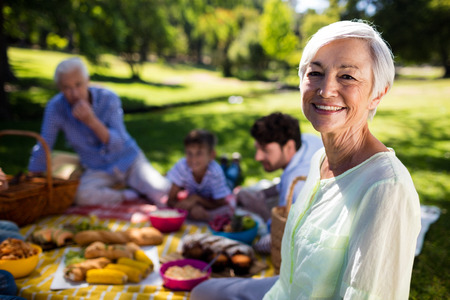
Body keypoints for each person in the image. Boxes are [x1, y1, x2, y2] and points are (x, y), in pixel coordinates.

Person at [191, 20, 421, 300]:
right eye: (316, 73)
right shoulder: (319, 159)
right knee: (202, 291)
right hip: (285, 290)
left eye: (347, 76)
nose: (326, 90)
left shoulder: (386, 188)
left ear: (378, 94)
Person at [28, 57, 170, 206]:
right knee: (80, 196)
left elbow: (118, 143)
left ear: (87, 80)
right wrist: (33, 174)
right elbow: (45, 142)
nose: (74, 93)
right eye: (67, 88)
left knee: (162, 191)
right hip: (96, 168)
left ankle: (144, 187)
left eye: (78, 85)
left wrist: (91, 121)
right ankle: (126, 196)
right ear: (59, 88)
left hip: (128, 160)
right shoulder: (55, 108)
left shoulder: (108, 98)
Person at [237, 112, 323, 222]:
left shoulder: (296, 184)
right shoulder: (307, 139)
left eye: (265, 150)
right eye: (257, 148)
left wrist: (260, 210)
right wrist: (263, 193)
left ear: (289, 147)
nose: (257, 157)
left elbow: (285, 231)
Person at [166, 129, 233, 221]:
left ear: (211, 155)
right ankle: (224, 162)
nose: (193, 159)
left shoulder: (215, 172)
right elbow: (170, 200)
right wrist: (193, 206)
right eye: (189, 153)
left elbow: (221, 203)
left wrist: (196, 199)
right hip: (207, 195)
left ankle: (235, 164)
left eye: (199, 153)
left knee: (232, 176)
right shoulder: (182, 166)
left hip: (225, 183)